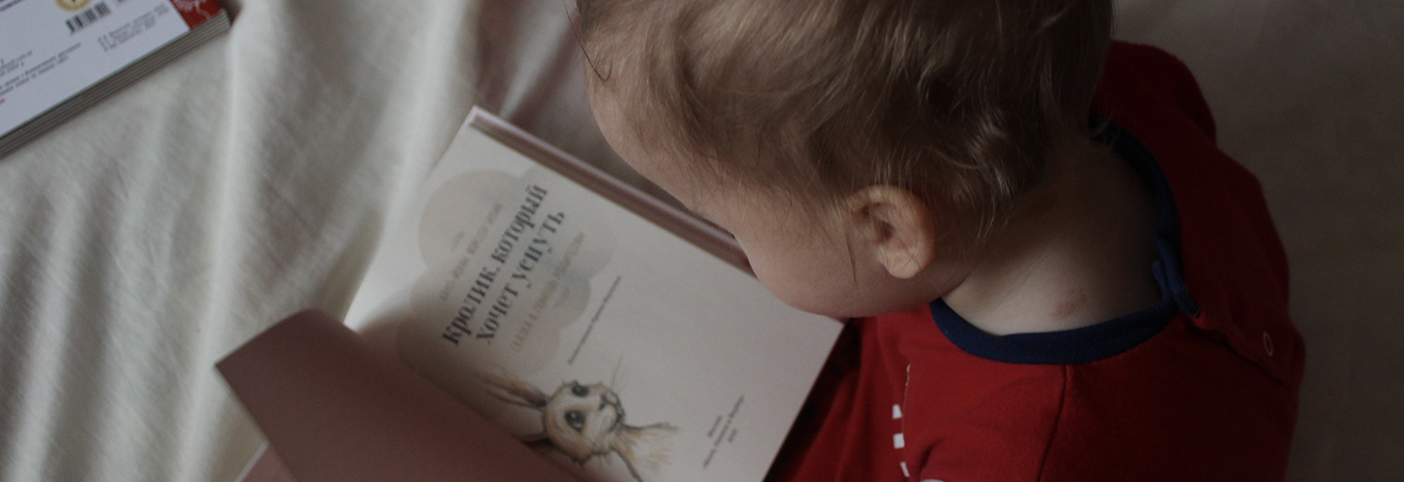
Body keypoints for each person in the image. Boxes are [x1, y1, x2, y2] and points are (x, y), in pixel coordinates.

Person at [578, 0, 1305, 480]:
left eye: (729, 222)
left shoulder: (1034, 454)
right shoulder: (1095, 88)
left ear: (890, 230)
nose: (731, 243)